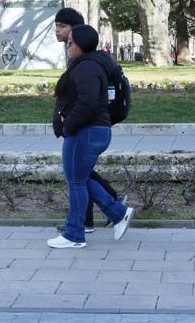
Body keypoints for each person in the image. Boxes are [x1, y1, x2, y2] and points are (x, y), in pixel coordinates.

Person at [50, 24, 133, 248]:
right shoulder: (90, 64)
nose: (68, 47)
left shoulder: (87, 68)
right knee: (81, 179)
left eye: (71, 44)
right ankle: (118, 213)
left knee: (76, 182)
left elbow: (87, 103)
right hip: (94, 130)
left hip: (85, 132)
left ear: (83, 45)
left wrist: (68, 125)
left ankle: (74, 235)